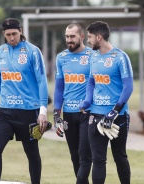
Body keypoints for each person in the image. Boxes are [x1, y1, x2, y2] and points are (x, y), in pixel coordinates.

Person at [0, 18, 49, 184]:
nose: (12, 37)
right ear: (3, 34)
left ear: (20, 31)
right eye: (8, 34)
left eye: (14, 33)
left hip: (28, 111)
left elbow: (42, 80)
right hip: (5, 111)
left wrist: (43, 112)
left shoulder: (33, 51)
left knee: (31, 152)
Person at [79, 21, 134, 184]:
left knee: (120, 156)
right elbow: (91, 82)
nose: (88, 41)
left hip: (118, 116)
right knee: (98, 159)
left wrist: (115, 111)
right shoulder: (93, 56)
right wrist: (88, 101)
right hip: (96, 115)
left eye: (89, 37)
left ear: (99, 37)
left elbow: (128, 87)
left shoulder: (121, 57)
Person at [53, 23, 92, 184]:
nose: (69, 40)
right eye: (67, 37)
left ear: (82, 37)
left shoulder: (93, 55)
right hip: (68, 113)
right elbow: (59, 87)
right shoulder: (61, 58)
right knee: (74, 155)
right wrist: (56, 112)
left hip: (86, 113)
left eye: (72, 36)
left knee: (84, 154)